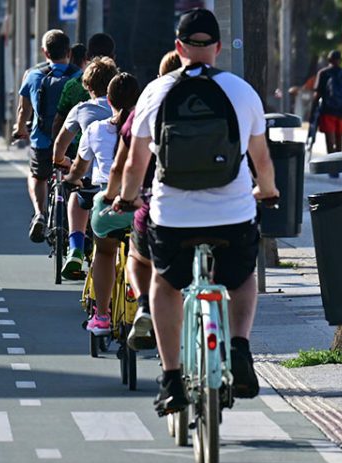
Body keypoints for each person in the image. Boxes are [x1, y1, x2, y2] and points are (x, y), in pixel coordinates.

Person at [115, 8, 279, 415]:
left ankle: (171, 379)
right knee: (241, 275)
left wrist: (127, 197)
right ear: (218, 48)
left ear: (178, 47)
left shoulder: (155, 92)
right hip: (233, 213)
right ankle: (239, 346)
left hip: (173, 216)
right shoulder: (242, 92)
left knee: (166, 284)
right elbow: (261, 157)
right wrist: (268, 190)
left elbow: (135, 164)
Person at [103, 49, 183, 351]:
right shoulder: (221, 95)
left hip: (159, 206)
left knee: (138, 256)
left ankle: (145, 307)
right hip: (220, 210)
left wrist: (120, 198)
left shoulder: (148, 105)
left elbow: (126, 165)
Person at [62, 72, 140, 335]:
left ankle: (102, 316)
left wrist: (71, 181)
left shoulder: (95, 130)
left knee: (105, 252)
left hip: (108, 205)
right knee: (144, 255)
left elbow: (78, 169)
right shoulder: (146, 129)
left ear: (109, 100)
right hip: (140, 204)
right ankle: (146, 310)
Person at [52, 56, 119, 279]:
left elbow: (60, 144)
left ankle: (76, 247)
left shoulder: (81, 110)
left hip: (92, 182)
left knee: (76, 197)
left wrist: (62, 161)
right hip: (125, 185)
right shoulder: (125, 111)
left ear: (87, 86)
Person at [14, 30, 78, 243]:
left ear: (44, 52)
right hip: (71, 143)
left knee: (37, 175)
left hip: (42, 140)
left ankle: (40, 213)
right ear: (68, 52)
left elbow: (24, 110)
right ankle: (77, 224)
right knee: (77, 179)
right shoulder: (79, 76)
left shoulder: (32, 75)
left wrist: (20, 128)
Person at [312, 50, 342, 177]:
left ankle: (332, 168)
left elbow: (317, 94)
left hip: (328, 111)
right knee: (340, 139)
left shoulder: (323, 73)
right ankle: (338, 165)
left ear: (329, 60)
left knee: (330, 140)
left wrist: (313, 112)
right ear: (340, 60)